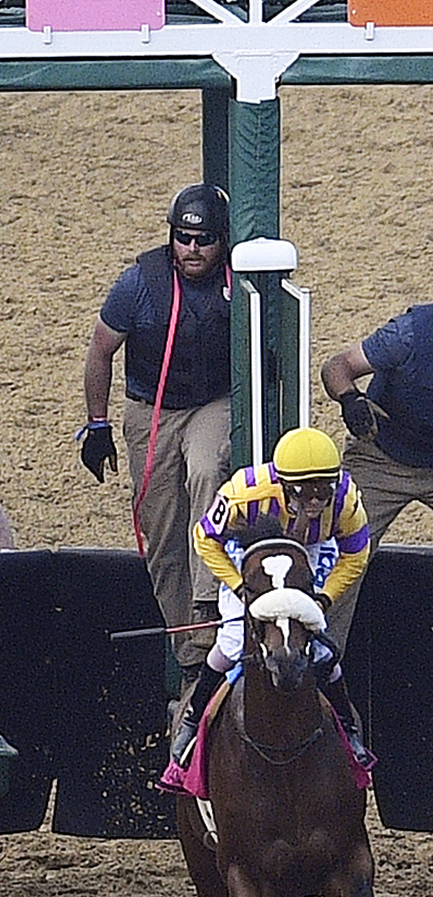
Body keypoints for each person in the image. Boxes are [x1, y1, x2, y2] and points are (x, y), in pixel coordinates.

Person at [75, 183, 236, 688]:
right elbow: (100, 350)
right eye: (183, 238)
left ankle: (208, 600)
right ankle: (193, 657)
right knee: (162, 528)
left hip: (212, 401)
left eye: (204, 240)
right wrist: (97, 424)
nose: (193, 249)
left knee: (207, 468)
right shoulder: (139, 283)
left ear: (222, 241)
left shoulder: (240, 280)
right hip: (153, 408)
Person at [170, 427, 373, 770]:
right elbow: (204, 538)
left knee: (320, 649)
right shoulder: (243, 492)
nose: (315, 502)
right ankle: (191, 719)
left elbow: (355, 555)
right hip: (252, 554)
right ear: (283, 484)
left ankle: (348, 729)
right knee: (233, 642)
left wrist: (324, 599)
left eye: (323, 490)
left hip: (307, 551)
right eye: (305, 491)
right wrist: (239, 586)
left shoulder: (346, 501)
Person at [319, 309, 433, 655]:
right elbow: (337, 366)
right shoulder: (410, 334)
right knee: (338, 556)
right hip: (380, 456)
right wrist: (350, 399)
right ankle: (321, 665)